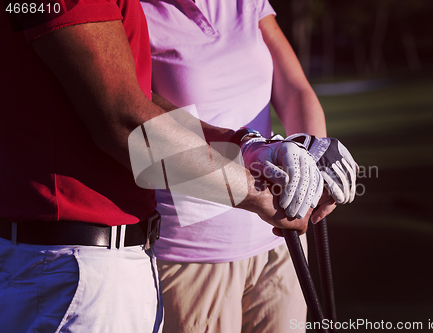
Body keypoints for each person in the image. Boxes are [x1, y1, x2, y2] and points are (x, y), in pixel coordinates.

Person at [0, 0, 325, 331]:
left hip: (111, 260)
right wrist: (262, 195)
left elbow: (134, 98)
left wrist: (247, 144)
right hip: (76, 267)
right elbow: (123, 122)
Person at [139, 0, 353, 332]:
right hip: (193, 254)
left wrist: (313, 160)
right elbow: (139, 119)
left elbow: (294, 89)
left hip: (279, 241)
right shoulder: (135, 10)